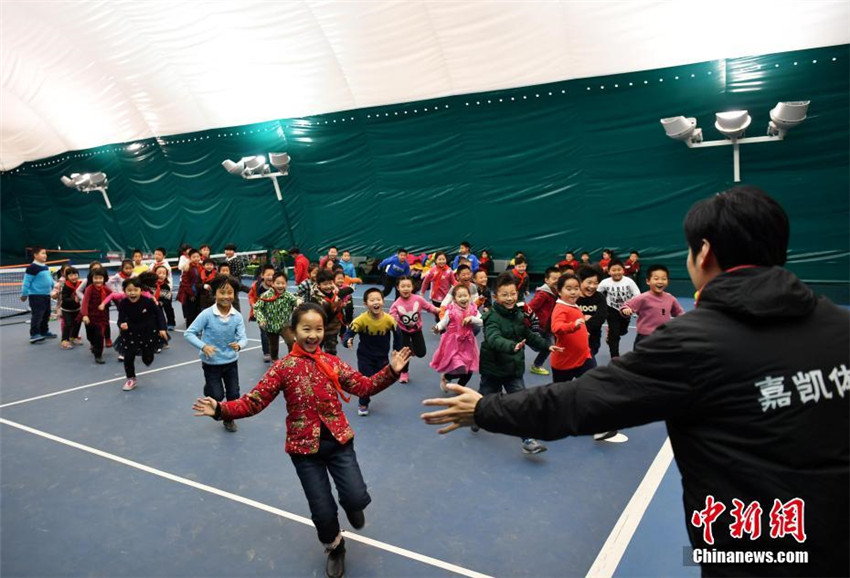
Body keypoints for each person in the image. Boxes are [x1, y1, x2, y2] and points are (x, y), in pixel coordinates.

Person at [421, 186, 850, 577]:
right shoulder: (840, 327)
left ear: (703, 254)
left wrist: (483, 408)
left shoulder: (691, 344)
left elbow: (579, 402)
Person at [193, 303, 412, 578]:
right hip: (304, 451)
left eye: (318, 329)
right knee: (321, 511)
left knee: (355, 496)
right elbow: (254, 401)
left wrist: (391, 371)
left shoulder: (332, 362)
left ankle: (353, 506)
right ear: (294, 332)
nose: (313, 335)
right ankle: (335, 546)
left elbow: (363, 386)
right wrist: (221, 410)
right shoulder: (283, 368)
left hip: (339, 442)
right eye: (306, 329)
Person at [477, 273, 563, 454]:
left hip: (513, 369)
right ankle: (475, 417)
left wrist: (547, 346)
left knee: (522, 403)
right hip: (493, 368)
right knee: (485, 399)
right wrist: (511, 346)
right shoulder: (491, 317)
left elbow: (529, 335)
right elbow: (493, 338)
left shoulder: (518, 314)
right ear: (495, 297)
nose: (509, 298)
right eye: (504, 294)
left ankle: (528, 440)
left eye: (513, 294)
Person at [186, 275, 249, 433]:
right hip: (211, 363)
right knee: (217, 395)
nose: (226, 296)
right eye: (222, 292)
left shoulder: (237, 317)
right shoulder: (207, 314)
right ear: (215, 294)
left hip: (231, 362)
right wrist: (204, 346)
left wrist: (240, 345)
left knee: (234, 394)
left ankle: (229, 419)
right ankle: (210, 389)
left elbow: (243, 337)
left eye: (230, 292)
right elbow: (189, 333)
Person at [342, 288, 400, 416]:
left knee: (381, 378)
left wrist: (397, 349)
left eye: (378, 299)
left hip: (382, 356)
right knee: (366, 380)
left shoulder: (389, 320)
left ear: (383, 302)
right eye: (372, 300)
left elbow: (398, 334)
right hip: (365, 356)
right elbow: (349, 332)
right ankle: (363, 402)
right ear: (365, 304)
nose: (376, 302)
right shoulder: (361, 320)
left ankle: (367, 393)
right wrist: (347, 341)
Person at [116, 277, 168, 391]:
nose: (132, 293)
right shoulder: (123, 303)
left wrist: (162, 328)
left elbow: (159, 314)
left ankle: (148, 355)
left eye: (135, 290)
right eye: (129, 290)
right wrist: (121, 324)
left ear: (140, 290)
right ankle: (131, 379)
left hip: (148, 332)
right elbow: (120, 319)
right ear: (125, 291)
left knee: (148, 358)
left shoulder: (148, 301)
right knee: (128, 357)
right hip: (130, 334)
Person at [430, 284, 482, 391]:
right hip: (453, 342)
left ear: (469, 296)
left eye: (465, 295)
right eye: (460, 296)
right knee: (458, 365)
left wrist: (472, 319)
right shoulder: (451, 310)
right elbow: (443, 323)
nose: (463, 298)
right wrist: (437, 328)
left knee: (468, 369)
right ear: (454, 299)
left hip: (468, 342)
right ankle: (447, 376)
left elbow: (482, 321)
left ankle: (460, 387)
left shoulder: (473, 308)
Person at [388, 276, 439, 384]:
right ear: (398, 288)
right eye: (403, 286)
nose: (405, 289)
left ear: (412, 287)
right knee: (405, 354)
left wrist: (437, 310)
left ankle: (412, 348)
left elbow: (429, 307)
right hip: (403, 332)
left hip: (417, 330)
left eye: (408, 286)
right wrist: (390, 322)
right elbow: (391, 317)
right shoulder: (396, 304)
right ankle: (404, 373)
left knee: (421, 353)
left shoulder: (418, 299)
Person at [621, 264, 684, 347]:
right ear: (648, 281)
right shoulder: (643, 297)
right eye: (656, 279)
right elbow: (626, 306)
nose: (660, 281)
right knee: (641, 359)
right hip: (645, 337)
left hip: (663, 336)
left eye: (664, 279)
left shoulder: (670, 298)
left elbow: (679, 313)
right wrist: (626, 310)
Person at [597, 259, 640, 358]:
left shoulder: (629, 281)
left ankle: (611, 333)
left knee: (622, 331)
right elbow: (597, 294)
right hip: (611, 309)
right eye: (614, 270)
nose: (616, 272)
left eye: (619, 270)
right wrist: (601, 306)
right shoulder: (605, 282)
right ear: (609, 271)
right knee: (614, 334)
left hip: (626, 310)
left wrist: (631, 306)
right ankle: (614, 356)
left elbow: (637, 295)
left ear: (623, 270)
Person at [253, 270, 300, 360]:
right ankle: (274, 360)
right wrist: (261, 319)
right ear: (273, 284)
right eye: (278, 283)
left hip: (284, 325)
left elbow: (295, 299)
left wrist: (298, 301)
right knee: (273, 346)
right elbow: (257, 308)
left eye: (283, 283)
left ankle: (292, 359)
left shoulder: (288, 295)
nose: (280, 285)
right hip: (271, 326)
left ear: (286, 284)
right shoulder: (265, 295)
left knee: (291, 342)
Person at [528, 267, 561, 376]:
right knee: (546, 346)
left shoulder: (556, 292)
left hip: (548, 326)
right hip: (538, 326)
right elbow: (530, 307)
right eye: (554, 278)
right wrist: (531, 322)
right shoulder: (543, 294)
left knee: (550, 345)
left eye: (559, 278)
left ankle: (536, 365)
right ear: (547, 280)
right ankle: (536, 365)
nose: (556, 280)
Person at [19, 246, 56, 343]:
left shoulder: (45, 267)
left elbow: (50, 279)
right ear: (35, 255)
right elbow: (26, 282)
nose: (45, 255)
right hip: (36, 296)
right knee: (38, 315)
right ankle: (34, 334)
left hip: (46, 295)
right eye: (42, 253)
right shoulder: (32, 268)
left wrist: (55, 286)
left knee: (46, 314)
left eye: (45, 253)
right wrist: (24, 294)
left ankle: (44, 331)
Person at [81, 268, 112, 364]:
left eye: (100, 278)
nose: (98, 280)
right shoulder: (89, 289)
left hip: (101, 317)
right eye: (95, 278)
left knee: (100, 335)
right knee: (90, 336)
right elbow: (85, 302)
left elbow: (113, 296)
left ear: (104, 278)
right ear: (91, 278)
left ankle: (98, 355)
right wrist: (85, 315)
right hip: (90, 316)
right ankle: (94, 345)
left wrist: (121, 305)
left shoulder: (105, 288)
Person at [576, 264, 607, 361]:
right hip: (574, 338)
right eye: (589, 282)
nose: (592, 286)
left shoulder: (599, 297)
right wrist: (582, 320)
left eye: (596, 283)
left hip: (593, 338)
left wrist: (585, 326)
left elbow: (601, 317)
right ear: (580, 281)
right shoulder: (573, 297)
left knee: (589, 356)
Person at [248, 264, 276, 362]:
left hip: (273, 314)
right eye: (268, 274)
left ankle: (274, 352)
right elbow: (251, 296)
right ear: (262, 275)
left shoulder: (276, 286)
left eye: (272, 275)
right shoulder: (256, 286)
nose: (270, 277)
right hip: (261, 313)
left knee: (273, 333)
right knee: (264, 333)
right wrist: (253, 304)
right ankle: (267, 352)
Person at [420, 252, 456, 319]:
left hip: (446, 298)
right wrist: (422, 293)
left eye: (443, 259)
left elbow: (453, 282)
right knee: (437, 314)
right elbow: (425, 282)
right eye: (439, 259)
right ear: (435, 261)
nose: (442, 261)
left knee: (446, 314)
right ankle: (439, 325)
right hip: (435, 298)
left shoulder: (449, 271)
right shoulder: (432, 271)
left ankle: (445, 326)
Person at [176, 249, 203, 328]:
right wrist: (191, 294)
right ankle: (190, 329)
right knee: (191, 313)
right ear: (190, 258)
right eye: (194, 257)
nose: (196, 258)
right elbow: (185, 283)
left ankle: (197, 328)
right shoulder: (187, 268)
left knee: (198, 311)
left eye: (198, 256)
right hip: (190, 294)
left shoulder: (201, 267)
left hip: (199, 293)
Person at [58, 266, 83, 349]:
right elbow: (64, 298)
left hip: (77, 309)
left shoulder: (81, 284)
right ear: (67, 277)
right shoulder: (66, 286)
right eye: (71, 275)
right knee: (68, 324)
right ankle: (64, 340)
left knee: (77, 323)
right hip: (66, 310)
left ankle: (74, 337)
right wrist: (74, 299)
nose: (74, 277)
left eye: (75, 274)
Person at [152, 264, 176, 332]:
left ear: (166, 276)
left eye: (164, 273)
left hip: (163, 301)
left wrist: (161, 303)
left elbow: (168, 299)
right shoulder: (150, 284)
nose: (161, 275)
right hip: (152, 301)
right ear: (154, 274)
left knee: (169, 308)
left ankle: (171, 323)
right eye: (159, 273)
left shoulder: (166, 287)